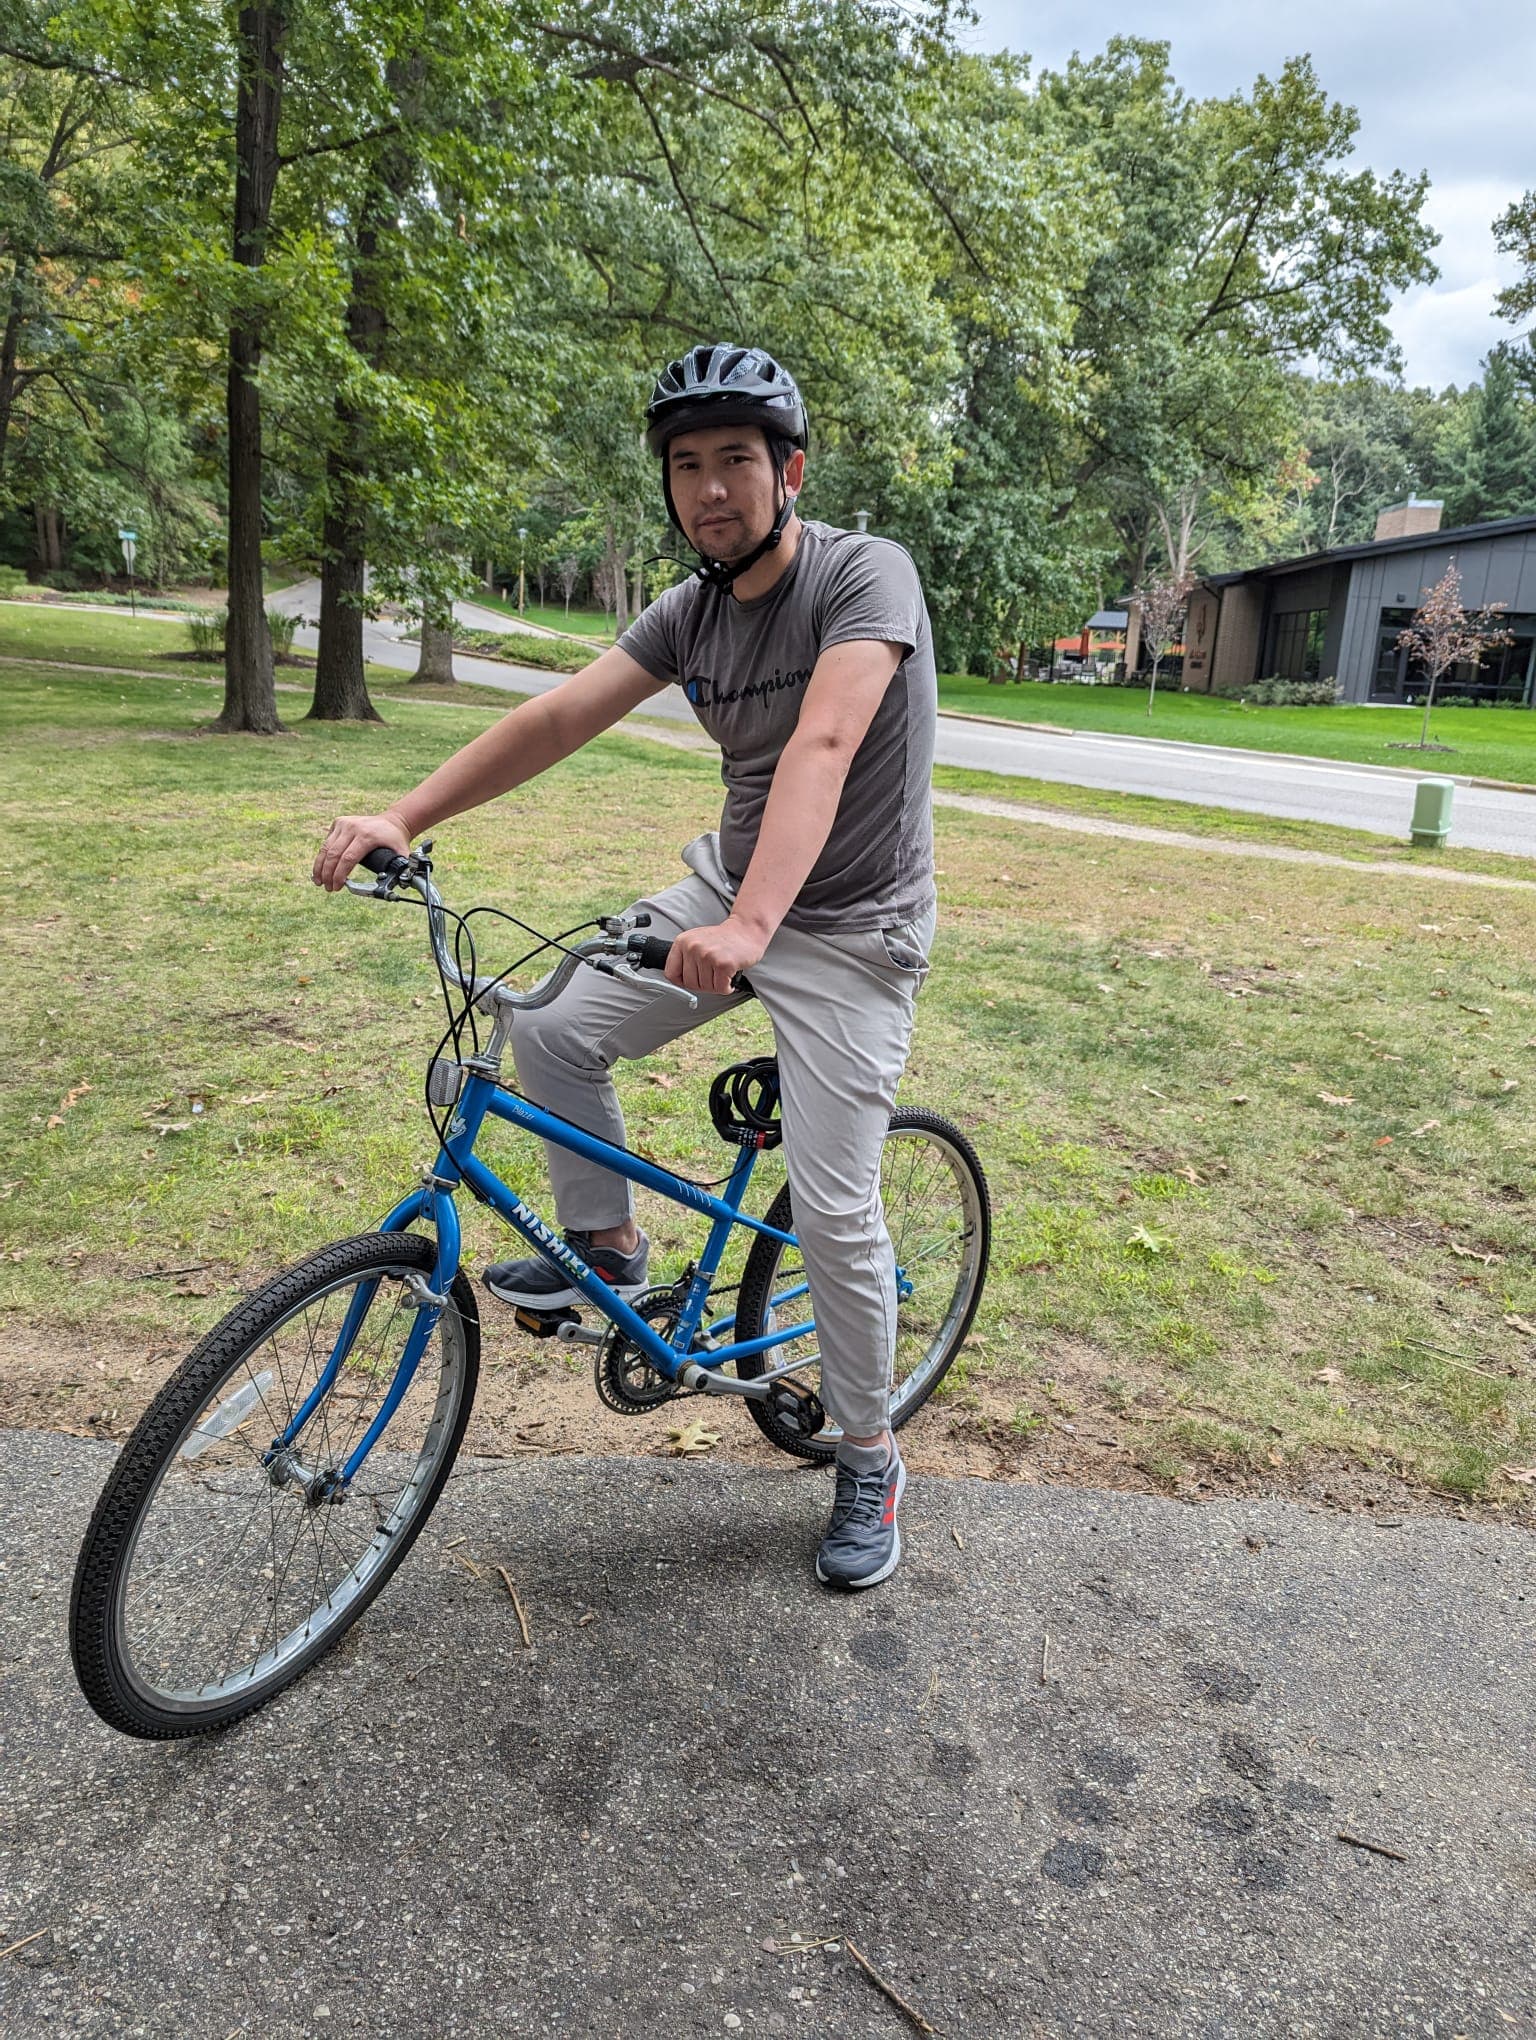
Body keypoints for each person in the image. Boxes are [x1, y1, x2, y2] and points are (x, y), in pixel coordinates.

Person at [312, 343, 938, 1590]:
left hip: (853, 925)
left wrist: (757, 930)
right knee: (546, 1028)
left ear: (790, 471)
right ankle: (607, 1255)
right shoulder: (692, 611)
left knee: (831, 1211)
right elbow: (555, 716)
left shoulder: (869, 577)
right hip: (729, 890)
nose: (712, 489)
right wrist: (406, 815)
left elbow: (823, 740)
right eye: (687, 467)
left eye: (737, 462)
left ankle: (869, 1453)